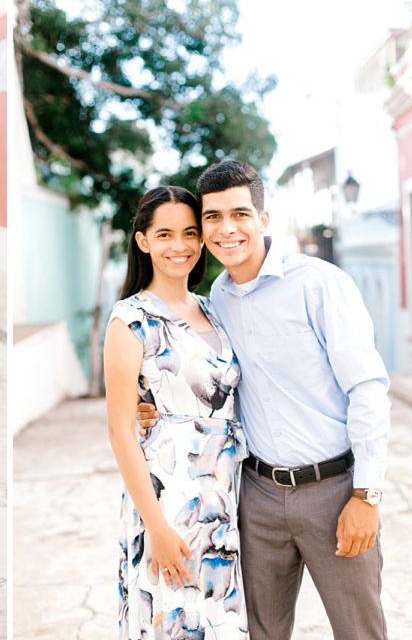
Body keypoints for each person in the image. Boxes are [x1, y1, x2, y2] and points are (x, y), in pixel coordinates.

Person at [136, 161, 390, 639]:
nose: (226, 228)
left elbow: (368, 388)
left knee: (360, 631)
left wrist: (366, 494)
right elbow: (204, 380)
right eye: (212, 217)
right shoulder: (218, 297)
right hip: (256, 496)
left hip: (334, 491)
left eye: (240, 214)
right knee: (259, 632)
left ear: (263, 219)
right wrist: (147, 402)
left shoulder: (319, 284)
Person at [104, 186, 249, 639]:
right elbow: (121, 431)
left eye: (189, 232)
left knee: (221, 623)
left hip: (226, 496)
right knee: (175, 622)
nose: (180, 245)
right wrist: (158, 528)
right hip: (170, 497)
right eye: (164, 234)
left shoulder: (215, 310)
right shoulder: (131, 320)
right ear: (143, 241)